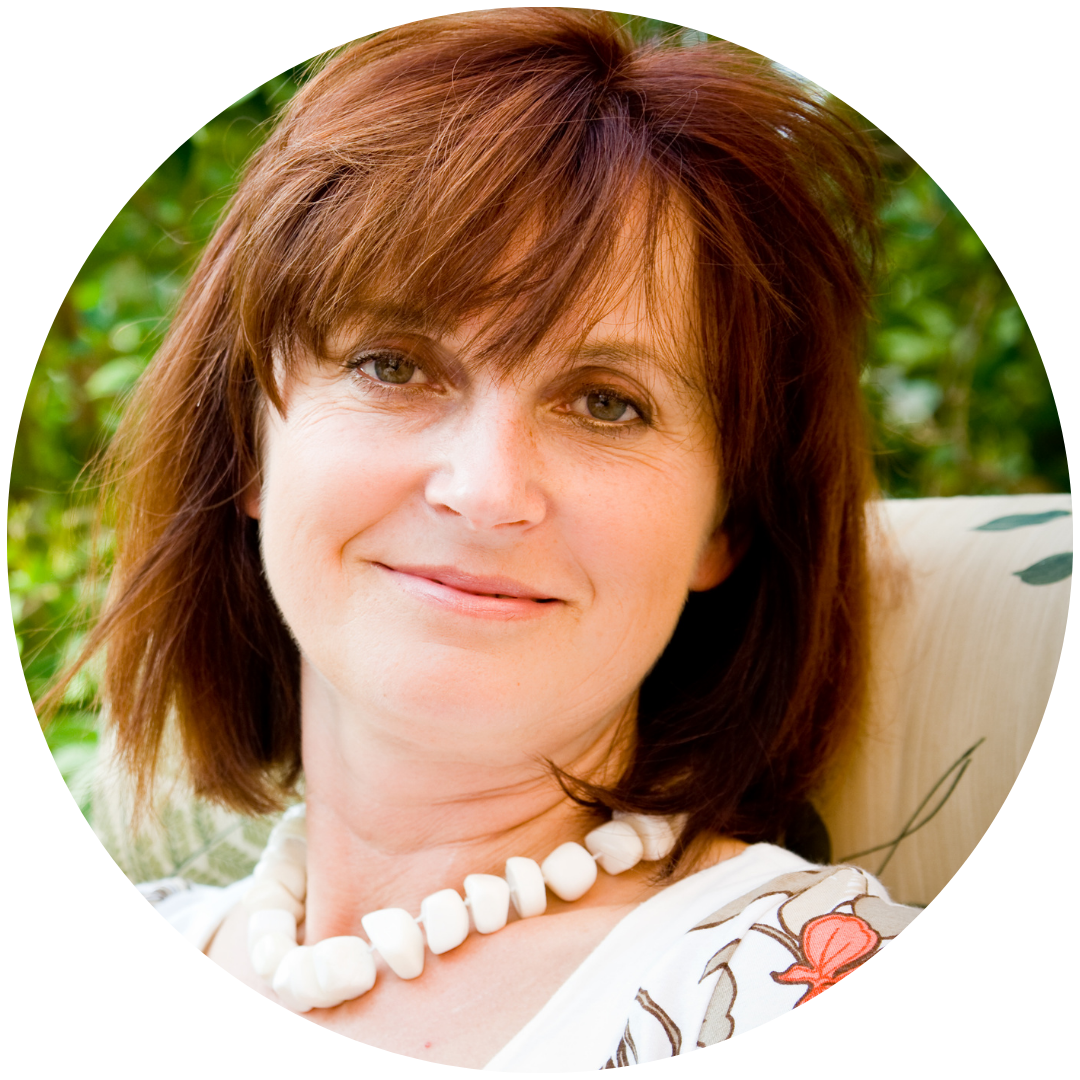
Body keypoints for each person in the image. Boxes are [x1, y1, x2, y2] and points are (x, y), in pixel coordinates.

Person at [49, 8, 919, 1070]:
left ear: (726, 523)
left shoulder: (818, 994)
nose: (485, 491)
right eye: (393, 364)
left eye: (607, 403)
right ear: (249, 443)